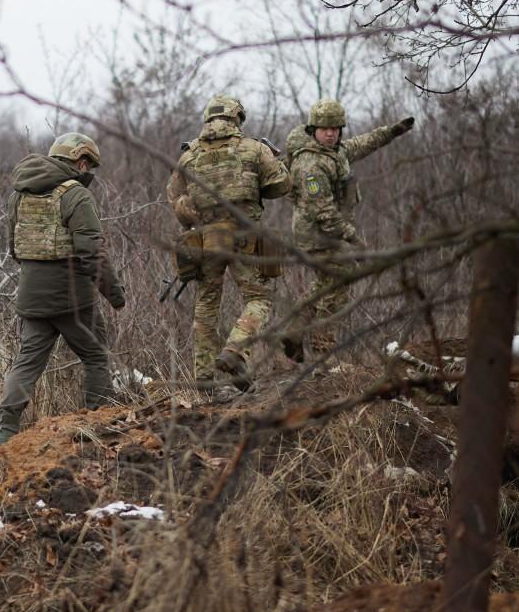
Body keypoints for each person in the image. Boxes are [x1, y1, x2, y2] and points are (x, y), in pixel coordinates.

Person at [0, 133, 125, 445]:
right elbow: (91, 252)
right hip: (72, 298)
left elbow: (15, 248)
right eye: (88, 165)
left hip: (31, 294)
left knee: (26, 363)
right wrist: (114, 293)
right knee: (95, 356)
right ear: (80, 161)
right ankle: (97, 423)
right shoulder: (76, 195)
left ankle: (5, 432)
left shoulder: (19, 193)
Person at [168, 95, 291, 393]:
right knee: (259, 299)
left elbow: (175, 199)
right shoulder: (254, 148)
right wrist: (278, 160)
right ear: (238, 118)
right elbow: (281, 185)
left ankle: (203, 380)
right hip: (244, 238)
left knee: (207, 304)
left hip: (208, 240)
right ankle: (235, 350)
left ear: (207, 120)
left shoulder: (189, 155)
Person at [282, 99, 414, 361]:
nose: (331, 133)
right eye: (324, 128)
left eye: (336, 128)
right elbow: (324, 213)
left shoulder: (334, 151)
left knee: (325, 283)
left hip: (328, 234)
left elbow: (362, 144)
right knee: (338, 287)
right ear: (313, 130)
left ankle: (294, 332)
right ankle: (323, 357)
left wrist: (391, 132)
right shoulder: (311, 164)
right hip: (317, 235)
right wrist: (355, 241)